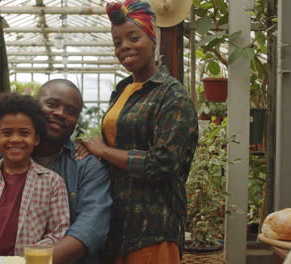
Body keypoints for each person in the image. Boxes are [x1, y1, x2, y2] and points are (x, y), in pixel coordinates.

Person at [0, 79, 112, 264]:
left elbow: (91, 229)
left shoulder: (86, 167)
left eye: (71, 111)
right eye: (52, 104)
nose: (60, 113)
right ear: (35, 106)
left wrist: (28, 261)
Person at [76, 0, 199, 263]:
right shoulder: (122, 90)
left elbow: (163, 164)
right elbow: (116, 145)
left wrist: (105, 151)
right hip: (117, 225)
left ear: (152, 38)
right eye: (117, 42)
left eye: (134, 37)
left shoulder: (171, 95)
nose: (124, 47)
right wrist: (94, 152)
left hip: (152, 229)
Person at [0, 93, 70, 256]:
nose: (16, 139)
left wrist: (29, 256)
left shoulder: (53, 183)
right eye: (6, 133)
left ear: (36, 139)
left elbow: (58, 232)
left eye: (24, 133)